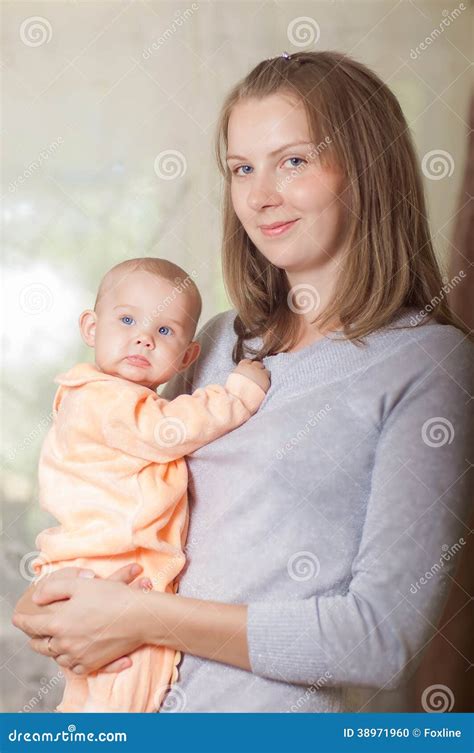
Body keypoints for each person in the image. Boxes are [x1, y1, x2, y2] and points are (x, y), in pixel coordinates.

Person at [13, 51, 473, 713]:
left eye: (293, 160)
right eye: (241, 168)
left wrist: (135, 614)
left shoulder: (429, 365)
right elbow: (125, 485)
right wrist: (63, 595)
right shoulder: (217, 341)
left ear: (368, 169)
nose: (260, 196)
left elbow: (378, 637)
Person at [27, 256, 269, 712]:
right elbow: (168, 429)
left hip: (114, 572)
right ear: (91, 328)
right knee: (122, 698)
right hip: (105, 570)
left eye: (164, 331)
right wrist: (237, 395)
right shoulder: (100, 399)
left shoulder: (125, 399)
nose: (143, 336)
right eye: (126, 320)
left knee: (106, 695)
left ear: (186, 357)